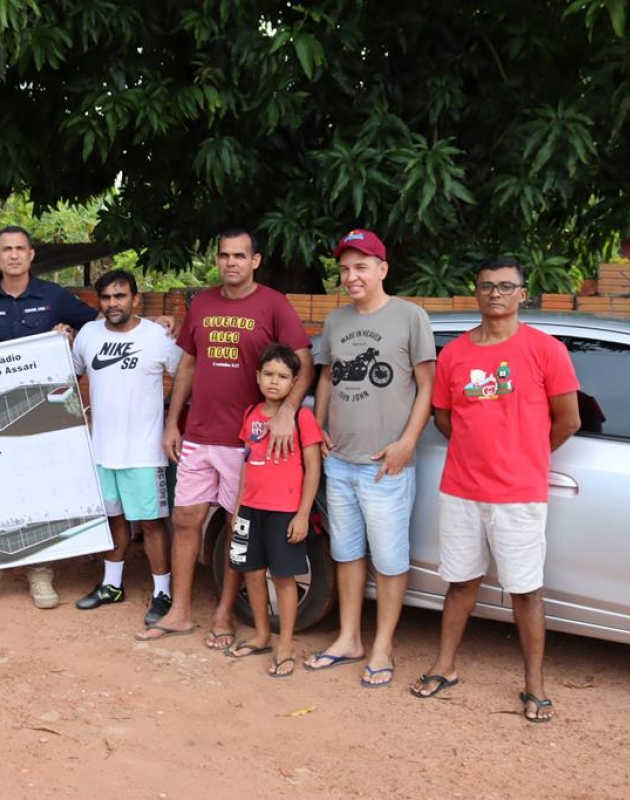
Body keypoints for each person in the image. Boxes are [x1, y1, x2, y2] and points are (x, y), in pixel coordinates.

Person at [409, 257, 580, 723]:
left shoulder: (546, 350)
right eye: (487, 286)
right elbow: (444, 418)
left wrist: (527, 455)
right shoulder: (455, 354)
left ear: (523, 293)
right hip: (461, 489)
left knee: (525, 590)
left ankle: (535, 686)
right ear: (477, 292)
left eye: (506, 286)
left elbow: (568, 420)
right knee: (461, 582)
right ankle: (445, 667)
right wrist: (478, 450)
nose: (496, 294)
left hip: (519, 494)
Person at [137, 228, 313, 645]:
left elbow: (304, 362)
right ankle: (179, 612)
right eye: (224, 255)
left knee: (238, 527)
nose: (230, 262)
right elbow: (188, 364)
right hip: (199, 434)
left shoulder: (274, 304)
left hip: (246, 440)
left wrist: (287, 412)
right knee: (185, 519)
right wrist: (172, 422)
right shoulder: (203, 302)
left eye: (239, 255)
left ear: (255, 261)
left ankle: (223, 614)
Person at [0, 225, 98, 611]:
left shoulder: (54, 297)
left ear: (31, 255)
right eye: (6, 249)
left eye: (19, 249)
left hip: (42, 412)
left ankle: (41, 572)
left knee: (40, 486)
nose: (13, 255)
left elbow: (98, 325)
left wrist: (70, 335)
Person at [303, 230, 435, 687]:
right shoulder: (336, 321)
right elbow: (326, 378)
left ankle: (382, 647)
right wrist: (317, 426)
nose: (351, 276)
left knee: (390, 560)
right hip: (339, 460)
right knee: (346, 553)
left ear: (382, 269)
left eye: (360, 267)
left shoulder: (410, 317)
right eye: (344, 269)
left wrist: (407, 442)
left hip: (386, 465)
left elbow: (427, 386)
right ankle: (348, 639)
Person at [70, 269, 182, 624]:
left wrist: (173, 423)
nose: (112, 303)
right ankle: (111, 585)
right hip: (102, 449)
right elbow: (69, 374)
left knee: (150, 523)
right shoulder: (88, 335)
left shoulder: (158, 336)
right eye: (106, 297)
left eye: (120, 296)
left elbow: (185, 375)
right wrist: (60, 337)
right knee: (113, 518)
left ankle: (162, 593)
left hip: (144, 451)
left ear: (135, 299)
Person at [227, 345, 323, 677]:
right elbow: (246, 462)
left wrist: (302, 514)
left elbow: (313, 467)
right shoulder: (251, 413)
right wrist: (238, 506)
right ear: (257, 377)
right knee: (252, 573)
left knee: (283, 577)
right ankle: (262, 634)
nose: (274, 381)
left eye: (283, 376)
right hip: (250, 509)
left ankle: (285, 645)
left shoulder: (301, 417)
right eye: (268, 374)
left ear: (294, 382)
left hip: (284, 511)